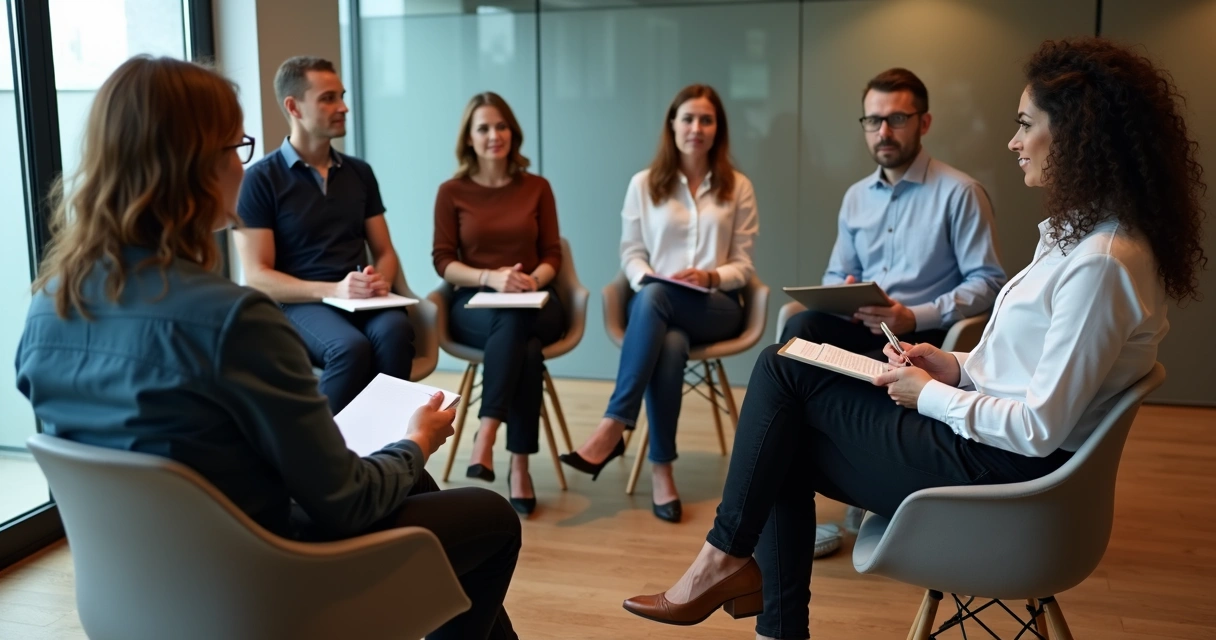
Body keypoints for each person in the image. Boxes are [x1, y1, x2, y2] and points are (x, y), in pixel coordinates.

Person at [621, 37, 1206, 640]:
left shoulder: (1101, 262)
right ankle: (764, 614)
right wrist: (952, 365)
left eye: (1025, 124)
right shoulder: (1080, 242)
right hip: (985, 437)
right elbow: (1023, 366)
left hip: (1008, 475)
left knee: (778, 377)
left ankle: (725, 564)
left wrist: (927, 394)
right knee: (783, 409)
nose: (1013, 141)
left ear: (1080, 136)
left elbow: (1040, 428)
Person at [15, 56, 522, 640]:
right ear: (195, 167)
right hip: (266, 583)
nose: (241, 164)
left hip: (137, 589)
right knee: (490, 516)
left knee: (419, 486)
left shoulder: (47, 306)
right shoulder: (233, 322)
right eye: (236, 147)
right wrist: (415, 442)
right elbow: (347, 504)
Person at [788, 67, 1009, 554]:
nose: (883, 132)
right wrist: (840, 290)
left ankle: (862, 482)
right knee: (797, 330)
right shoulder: (855, 198)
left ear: (924, 122)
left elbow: (989, 283)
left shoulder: (960, 192)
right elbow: (834, 274)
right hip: (858, 327)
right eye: (872, 121)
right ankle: (796, 508)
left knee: (792, 367)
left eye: (896, 119)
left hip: (917, 344)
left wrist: (917, 315)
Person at [560, 84, 758, 524]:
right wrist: (646, 278)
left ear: (717, 130)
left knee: (654, 299)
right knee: (668, 342)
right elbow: (631, 252)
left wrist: (710, 276)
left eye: (706, 120)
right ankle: (662, 470)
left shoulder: (737, 187)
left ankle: (614, 425)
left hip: (715, 306)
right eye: (687, 118)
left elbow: (744, 265)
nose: (696, 128)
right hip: (658, 308)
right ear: (672, 125)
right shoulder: (644, 184)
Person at [235, 56, 414, 414]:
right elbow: (258, 277)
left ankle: (387, 451)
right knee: (349, 348)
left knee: (396, 333)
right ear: (293, 107)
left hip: (361, 299)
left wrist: (382, 280)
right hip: (298, 304)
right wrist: (333, 290)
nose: (343, 107)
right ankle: (320, 459)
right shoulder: (260, 180)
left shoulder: (360, 173)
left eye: (341, 96)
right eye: (328, 98)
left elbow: (385, 251)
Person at [433, 91, 566, 517]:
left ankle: (485, 433)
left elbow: (552, 255)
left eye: (501, 126)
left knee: (516, 316)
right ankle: (520, 466)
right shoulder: (451, 191)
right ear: (469, 139)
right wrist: (490, 279)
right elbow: (443, 260)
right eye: (484, 128)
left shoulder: (537, 187)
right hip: (473, 304)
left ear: (513, 132)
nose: (495, 135)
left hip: (537, 298)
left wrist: (531, 281)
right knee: (522, 345)